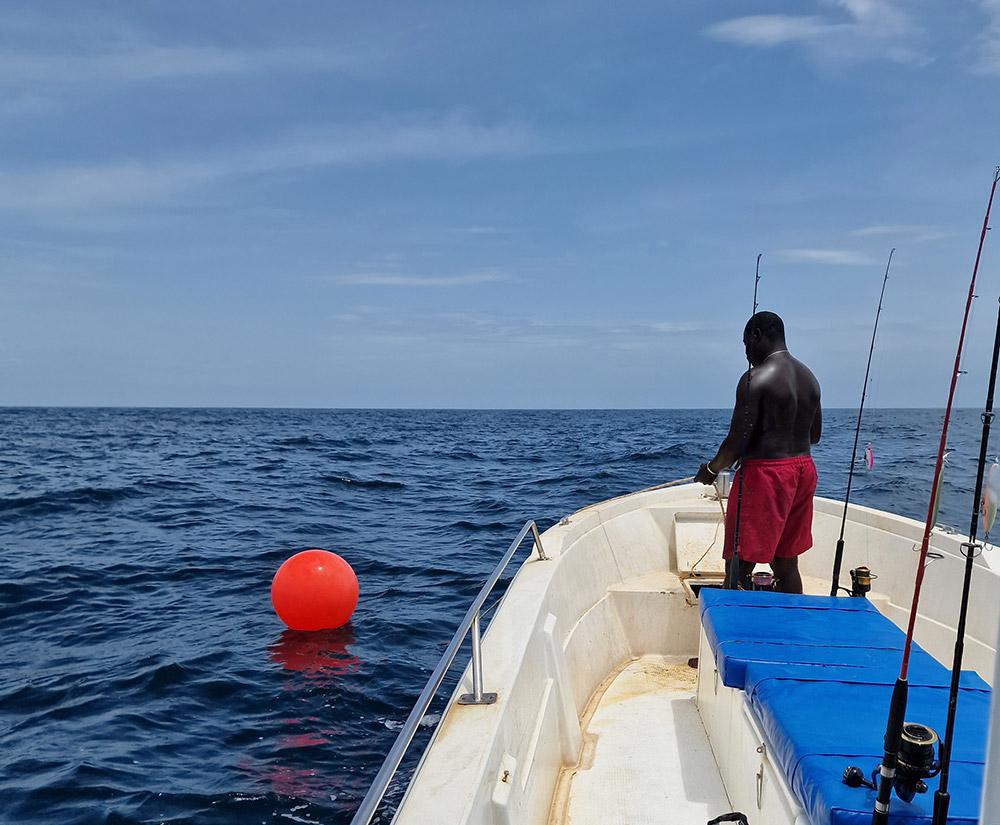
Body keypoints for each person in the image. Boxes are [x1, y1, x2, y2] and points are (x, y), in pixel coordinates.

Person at [694, 311, 821, 593]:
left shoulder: (755, 379)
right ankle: (790, 627)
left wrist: (712, 470)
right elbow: (814, 436)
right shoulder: (809, 378)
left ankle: (737, 631)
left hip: (767, 476)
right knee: (786, 561)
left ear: (757, 335)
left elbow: (735, 443)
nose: (746, 352)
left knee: (740, 561)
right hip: (804, 471)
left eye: (745, 343)